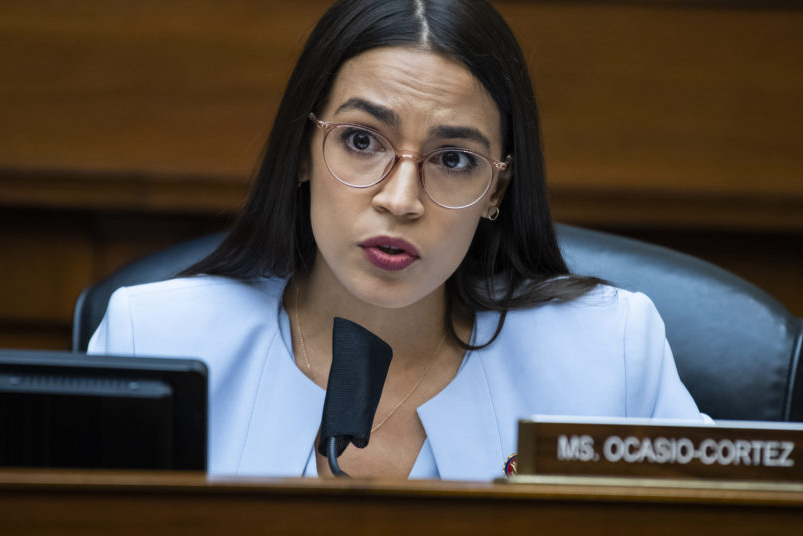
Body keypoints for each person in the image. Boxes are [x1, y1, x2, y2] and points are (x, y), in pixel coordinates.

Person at [88, 0, 705, 480]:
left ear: (497, 189)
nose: (401, 199)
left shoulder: (609, 356)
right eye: (361, 141)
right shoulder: (155, 340)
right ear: (304, 151)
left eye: (454, 158)